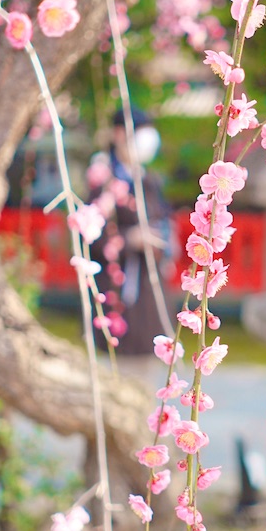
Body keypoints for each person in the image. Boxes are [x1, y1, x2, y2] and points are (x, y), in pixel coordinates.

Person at [87, 106, 174, 356]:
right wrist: (129, 239)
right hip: (119, 290)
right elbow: (92, 238)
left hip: (149, 286)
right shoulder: (104, 180)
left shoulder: (150, 180)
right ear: (118, 135)